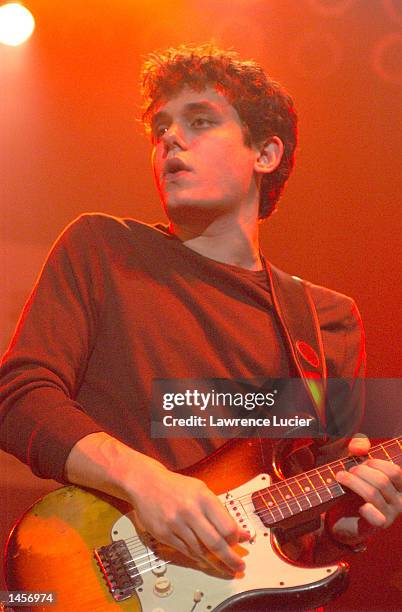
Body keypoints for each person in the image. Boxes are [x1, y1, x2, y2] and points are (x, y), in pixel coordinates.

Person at [0, 43, 401, 585]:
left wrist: (346, 525)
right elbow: (21, 396)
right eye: (160, 127)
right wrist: (145, 481)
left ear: (265, 154)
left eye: (200, 121)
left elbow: (316, 514)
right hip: (102, 579)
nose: (170, 137)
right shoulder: (102, 248)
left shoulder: (326, 319)